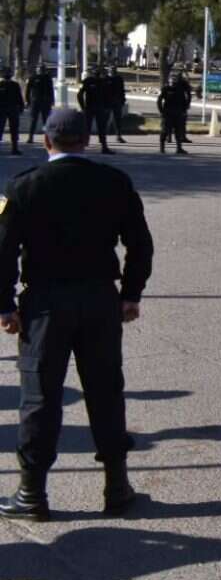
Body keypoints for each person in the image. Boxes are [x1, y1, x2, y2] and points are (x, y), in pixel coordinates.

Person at [0, 109, 154, 520]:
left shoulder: (23, 186)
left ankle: (32, 494)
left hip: (45, 305)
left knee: (39, 397)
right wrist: (131, 294)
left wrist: (5, 304)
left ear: (46, 141)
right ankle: (116, 488)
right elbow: (140, 244)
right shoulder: (114, 182)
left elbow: (3, 251)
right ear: (86, 140)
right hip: (99, 300)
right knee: (106, 392)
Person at [79, 67, 115, 155]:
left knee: (95, 128)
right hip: (93, 108)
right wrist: (83, 107)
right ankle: (101, 147)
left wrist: (83, 107)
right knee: (93, 128)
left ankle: (102, 147)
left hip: (96, 108)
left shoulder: (101, 82)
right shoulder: (90, 81)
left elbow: (107, 96)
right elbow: (80, 94)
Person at [157, 73, 191, 155]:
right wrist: (161, 111)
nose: (173, 82)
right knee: (165, 130)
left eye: (175, 80)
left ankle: (179, 148)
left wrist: (185, 108)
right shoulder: (165, 88)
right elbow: (159, 100)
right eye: (172, 80)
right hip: (167, 113)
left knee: (178, 131)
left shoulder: (180, 88)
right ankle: (162, 148)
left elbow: (185, 98)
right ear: (169, 81)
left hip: (178, 112)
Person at [25, 67, 55, 144]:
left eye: (42, 70)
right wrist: (28, 101)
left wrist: (52, 100)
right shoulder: (33, 78)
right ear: (37, 70)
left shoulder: (47, 78)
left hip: (45, 101)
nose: (41, 71)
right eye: (39, 70)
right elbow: (28, 90)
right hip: (35, 101)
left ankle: (47, 138)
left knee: (46, 120)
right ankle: (30, 137)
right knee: (33, 120)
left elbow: (51, 90)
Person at [0, 67, 23, 154]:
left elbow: (19, 97)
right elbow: (19, 97)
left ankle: (15, 148)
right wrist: (21, 107)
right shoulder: (1, 84)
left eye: (8, 72)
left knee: (14, 129)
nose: (7, 74)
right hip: (4, 109)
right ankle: (14, 148)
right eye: (6, 72)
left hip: (12, 109)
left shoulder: (15, 85)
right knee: (4, 128)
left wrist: (21, 107)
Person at [106, 65, 128, 143]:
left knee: (118, 120)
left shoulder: (119, 79)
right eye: (111, 70)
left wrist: (123, 99)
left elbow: (122, 90)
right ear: (109, 71)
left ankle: (118, 136)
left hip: (117, 101)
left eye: (114, 70)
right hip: (107, 102)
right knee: (105, 119)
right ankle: (102, 136)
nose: (113, 71)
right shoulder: (106, 79)